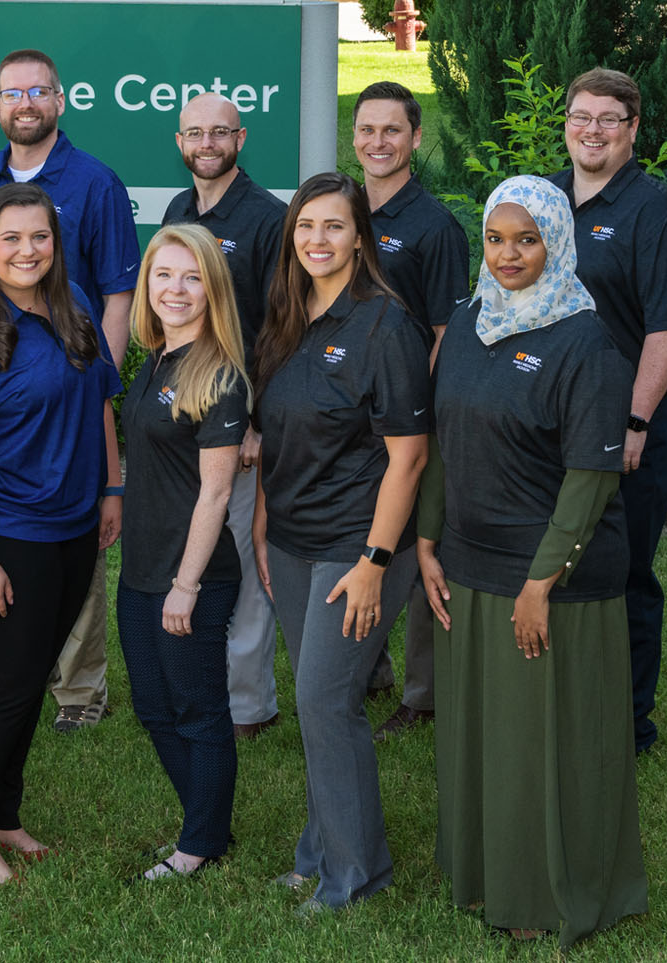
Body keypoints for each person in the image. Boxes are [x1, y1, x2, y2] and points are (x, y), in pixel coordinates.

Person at [417, 175, 646, 947]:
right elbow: (446, 438)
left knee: (544, 746)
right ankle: (483, 876)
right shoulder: (468, 318)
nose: (509, 254)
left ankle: (552, 894)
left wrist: (541, 583)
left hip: (552, 581)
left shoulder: (586, 341)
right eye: (495, 238)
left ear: (557, 243)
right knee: (483, 743)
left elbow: (591, 477)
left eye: (527, 239)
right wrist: (425, 539)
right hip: (468, 566)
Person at [0, 48, 140, 733]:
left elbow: (117, 295)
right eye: (10, 92)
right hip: (7, 391)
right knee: (20, 547)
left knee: (74, 547)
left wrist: (88, 382)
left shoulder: (95, 181)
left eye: (38, 91)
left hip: (75, 388)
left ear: (60, 100)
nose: (24, 102)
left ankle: (79, 692)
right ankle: (21, 676)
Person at [0, 183, 122, 884]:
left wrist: (112, 485)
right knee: (10, 682)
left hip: (73, 524)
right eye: (10, 238)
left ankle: (4, 815)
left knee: (33, 675)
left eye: (38, 236)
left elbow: (99, 399)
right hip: (4, 531)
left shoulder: (74, 309)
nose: (26, 250)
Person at [252, 172, 431, 913]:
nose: (318, 240)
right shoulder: (287, 315)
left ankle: (355, 876)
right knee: (317, 701)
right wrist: (264, 522)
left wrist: (375, 562)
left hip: (357, 546)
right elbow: (276, 434)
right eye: (306, 227)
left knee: (326, 699)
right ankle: (321, 849)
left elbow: (410, 456)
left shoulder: (385, 327)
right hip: (291, 541)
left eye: (334, 226)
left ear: (362, 236)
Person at [548, 67, 667, 754]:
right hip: (548, 422)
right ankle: (562, 700)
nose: (593, 129)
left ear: (634, 129)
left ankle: (628, 722)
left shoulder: (654, 212)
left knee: (625, 569)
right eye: (582, 115)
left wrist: (636, 421)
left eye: (609, 118)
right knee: (557, 563)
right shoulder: (545, 198)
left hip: (625, 426)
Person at [119, 225, 251, 879]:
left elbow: (216, 490)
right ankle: (209, 822)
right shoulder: (155, 358)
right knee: (152, 706)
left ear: (212, 288)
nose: (175, 289)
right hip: (141, 566)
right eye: (164, 274)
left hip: (191, 577)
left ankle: (197, 842)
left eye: (191, 276)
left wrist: (187, 584)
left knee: (198, 711)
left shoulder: (218, 373)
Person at [161, 93, 286, 741]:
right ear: (179, 141)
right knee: (195, 557)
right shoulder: (178, 211)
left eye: (219, 133)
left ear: (240, 137)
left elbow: (280, 330)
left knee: (237, 564)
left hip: (239, 427)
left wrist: (258, 424)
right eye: (194, 134)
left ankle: (247, 706)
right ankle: (197, 686)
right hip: (186, 420)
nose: (206, 143)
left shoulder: (267, 219)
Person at [351, 80, 471, 734]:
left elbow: (447, 336)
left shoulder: (435, 228)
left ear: (415, 138)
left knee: (418, 544)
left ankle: (423, 694)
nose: (378, 141)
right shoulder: (344, 210)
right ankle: (367, 665)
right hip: (349, 419)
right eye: (367, 129)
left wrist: (410, 417)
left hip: (408, 423)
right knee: (357, 537)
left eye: (391, 130)